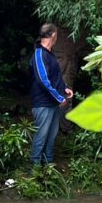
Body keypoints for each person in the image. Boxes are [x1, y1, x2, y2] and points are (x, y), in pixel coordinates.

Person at [29, 23, 73, 166]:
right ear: (53, 35)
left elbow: (55, 76)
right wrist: (59, 98)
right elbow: (43, 80)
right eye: (57, 35)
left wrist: (64, 88)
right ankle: (35, 169)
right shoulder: (39, 54)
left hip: (52, 103)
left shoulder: (49, 53)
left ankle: (48, 165)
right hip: (43, 103)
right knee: (41, 136)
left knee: (51, 136)